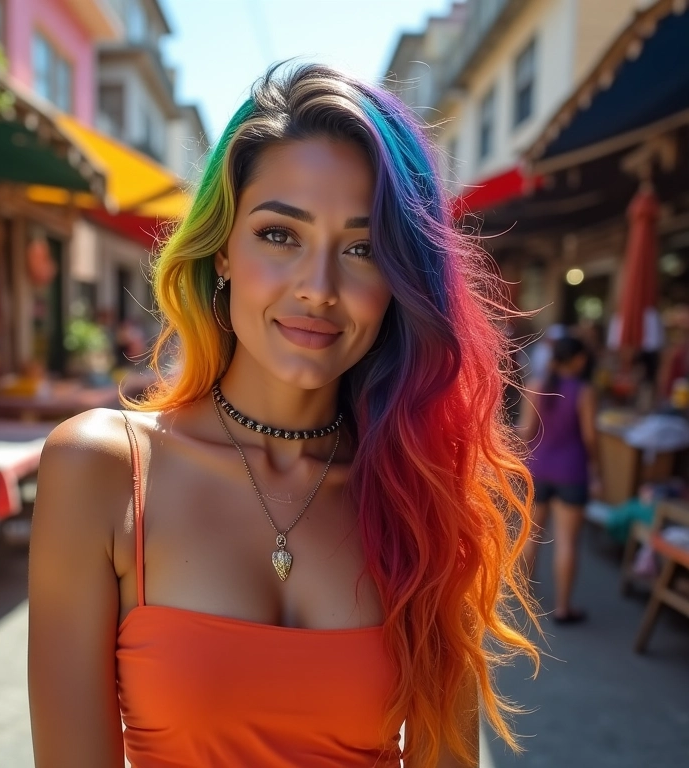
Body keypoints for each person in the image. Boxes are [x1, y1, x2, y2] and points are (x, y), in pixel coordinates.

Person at [28, 64, 538, 768]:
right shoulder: (103, 470)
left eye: (362, 249)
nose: (319, 288)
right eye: (279, 234)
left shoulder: (423, 491)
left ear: (399, 281)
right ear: (225, 249)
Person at [519, 336, 598, 624]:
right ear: (577, 360)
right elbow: (589, 437)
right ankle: (563, 608)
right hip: (572, 471)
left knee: (531, 534)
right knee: (566, 542)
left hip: (538, 468)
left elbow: (526, 431)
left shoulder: (536, 386)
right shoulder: (583, 391)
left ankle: (525, 596)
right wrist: (597, 470)